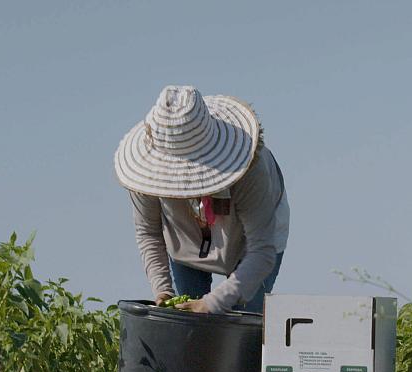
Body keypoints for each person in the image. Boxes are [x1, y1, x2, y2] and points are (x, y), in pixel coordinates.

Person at [114, 85, 289, 314]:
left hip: (249, 244)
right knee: (186, 326)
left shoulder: (251, 168)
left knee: (243, 324)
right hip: (184, 240)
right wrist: (163, 291)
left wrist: (211, 304)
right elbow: (149, 232)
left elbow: (261, 250)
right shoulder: (144, 175)